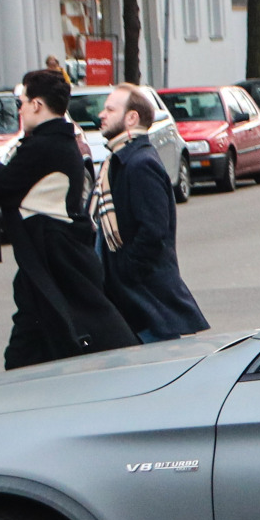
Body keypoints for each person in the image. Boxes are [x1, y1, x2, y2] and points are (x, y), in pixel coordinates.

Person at [0, 67, 139, 370]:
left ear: (37, 104)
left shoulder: (45, 146)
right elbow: (6, 179)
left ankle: (129, 374)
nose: (20, 110)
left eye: (22, 103)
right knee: (38, 345)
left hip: (56, 263)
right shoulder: (52, 143)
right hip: (49, 263)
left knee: (74, 340)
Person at [93, 82, 208, 343]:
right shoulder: (119, 162)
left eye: (110, 109)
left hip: (145, 304)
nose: (102, 114)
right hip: (132, 301)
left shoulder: (140, 164)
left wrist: (125, 272)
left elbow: (154, 231)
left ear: (131, 118)